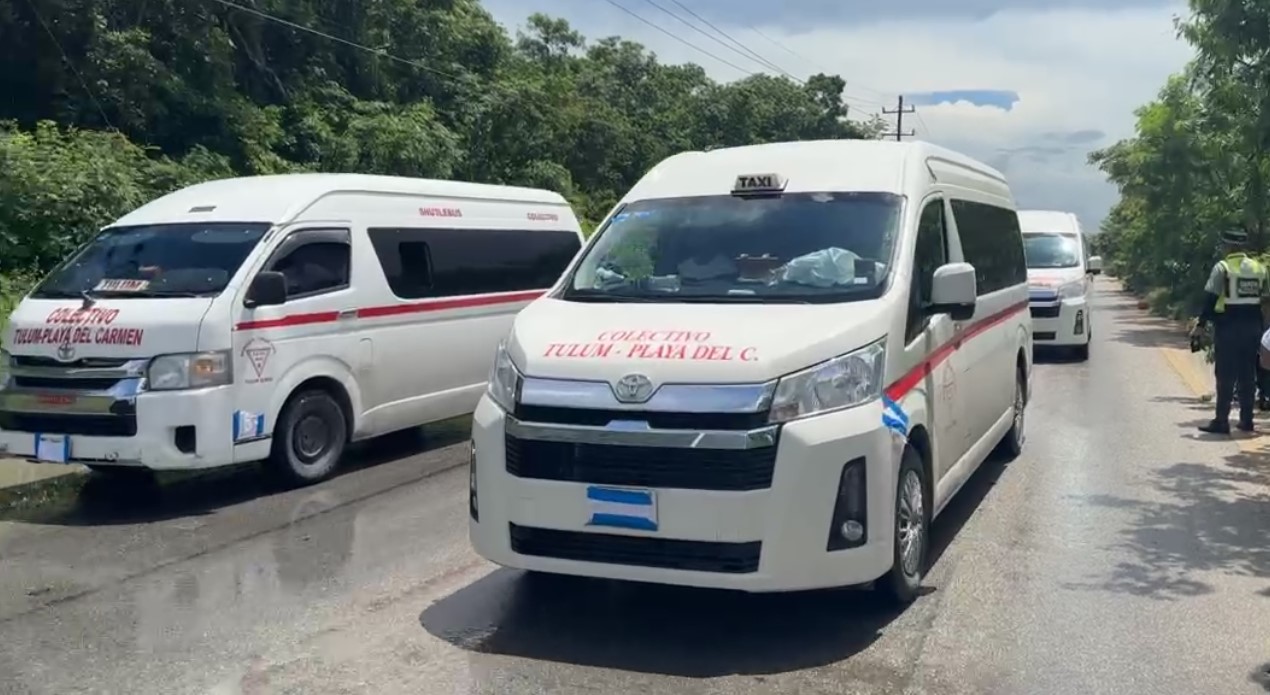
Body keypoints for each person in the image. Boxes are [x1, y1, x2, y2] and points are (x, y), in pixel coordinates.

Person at [1193, 229, 1269, 433]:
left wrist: (1200, 325)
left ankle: (1221, 420)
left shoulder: (1223, 267)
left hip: (1228, 326)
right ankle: (1247, 420)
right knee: (1248, 374)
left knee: (1225, 374)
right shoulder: (1259, 268)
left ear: (1229, 246)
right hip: (1253, 326)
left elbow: (1210, 298)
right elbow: (1266, 298)